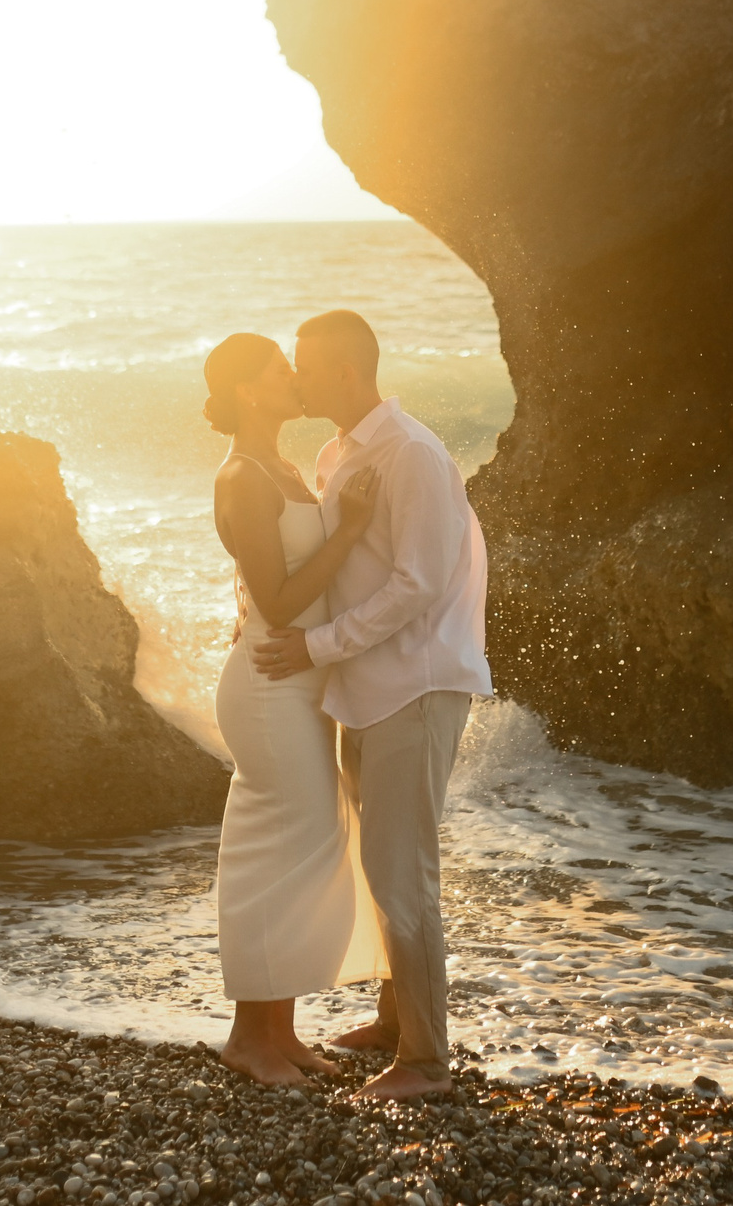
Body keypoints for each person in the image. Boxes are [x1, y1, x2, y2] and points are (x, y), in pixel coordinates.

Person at [255, 309, 493, 1101]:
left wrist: (317, 649)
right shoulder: (339, 452)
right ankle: (396, 1024)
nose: (295, 377)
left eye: (307, 366)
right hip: (368, 685)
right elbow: (341, 564)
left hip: (417, 685)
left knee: (403, 873)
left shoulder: (413, 454)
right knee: (382, 864)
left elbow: (417, 583)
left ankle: (427, 1063)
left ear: (350, 374)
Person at [202, 331, 387, 1085]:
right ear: (250, 390)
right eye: (283, 371)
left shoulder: (281, 466)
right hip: (272, 683)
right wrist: (347, 529)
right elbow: (279, 599)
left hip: (299, 679)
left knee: (303, 845)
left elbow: (259, 584)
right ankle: (249, 1038)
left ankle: (278, 1032)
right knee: (277, 846)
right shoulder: (243, 475)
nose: (296, 379)